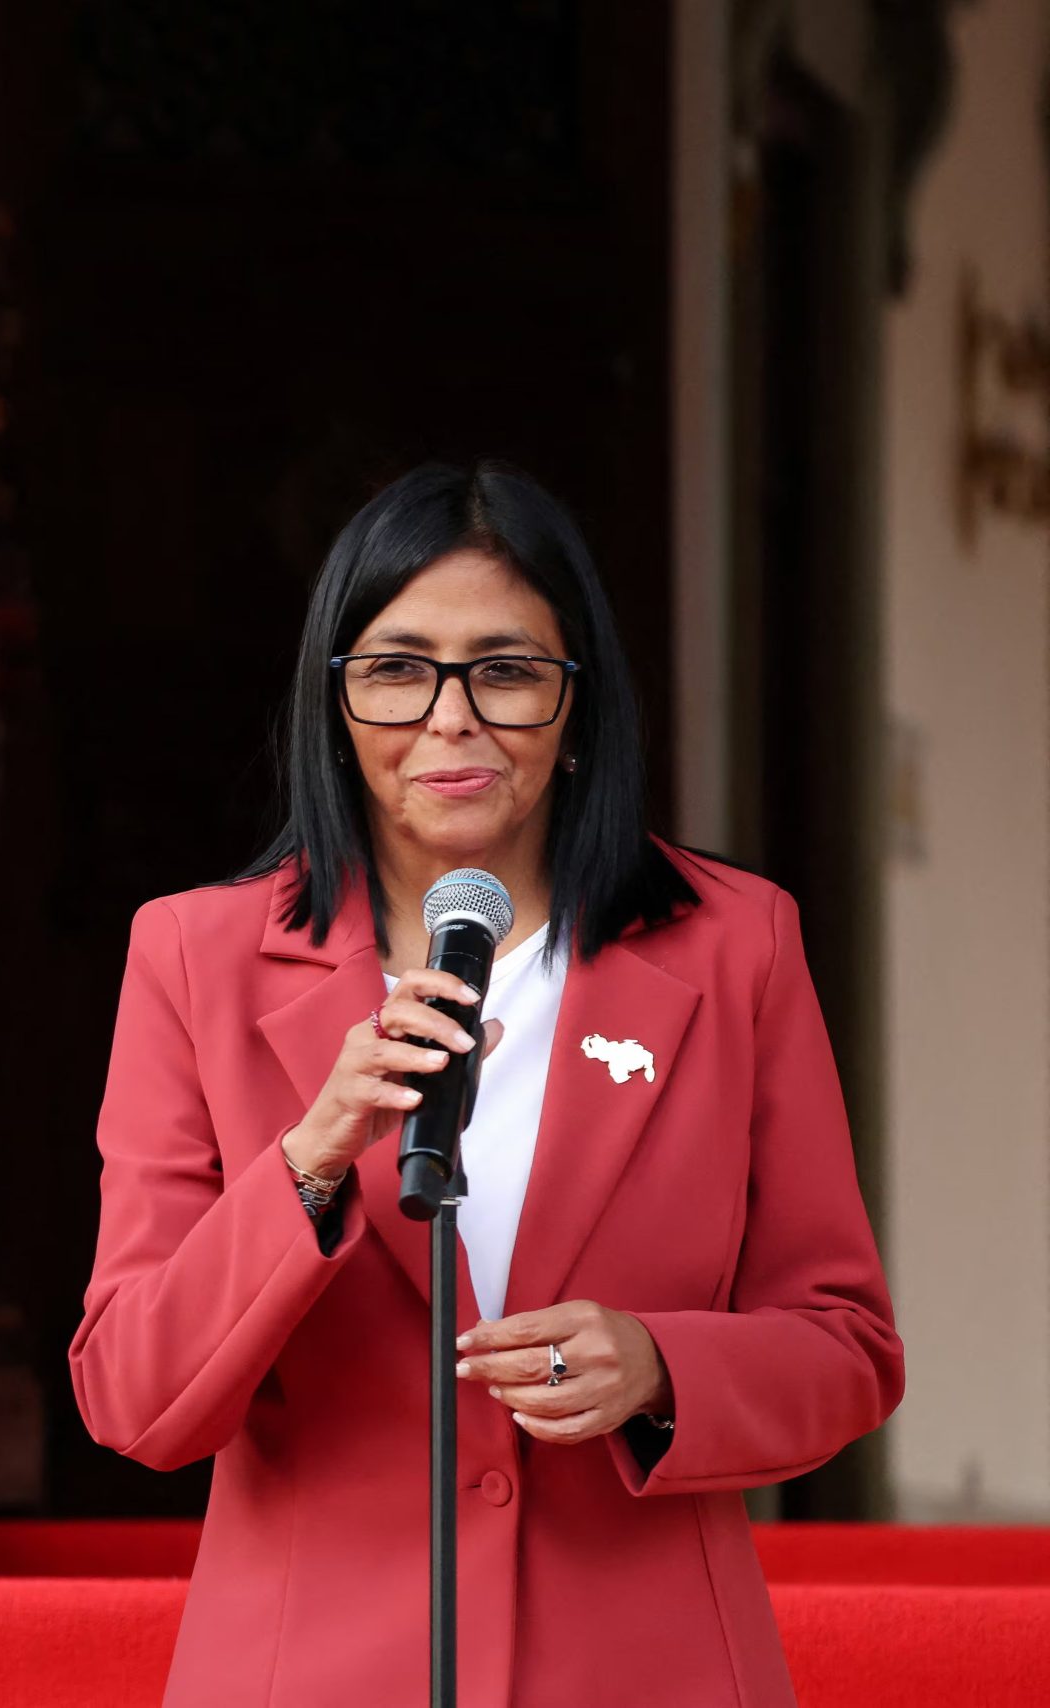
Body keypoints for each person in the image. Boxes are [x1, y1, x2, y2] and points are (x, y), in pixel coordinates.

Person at [69, 461, 903, 1708]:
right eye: (396, 669)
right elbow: (134, 1398)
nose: (450, 718)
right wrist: (308, 1159)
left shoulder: (735, 945)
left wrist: (660, 1365)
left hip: (647, 1668)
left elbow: (847, 1348)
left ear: (578, 703)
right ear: (333, 701)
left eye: (505, 671)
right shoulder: (194, 956)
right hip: (313, 1674)